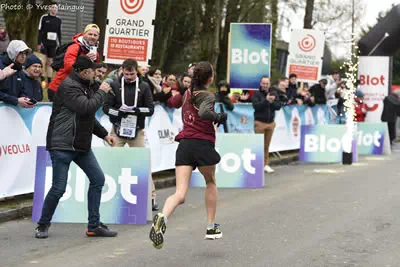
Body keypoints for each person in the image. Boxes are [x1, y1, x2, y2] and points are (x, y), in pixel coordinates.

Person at [34, 56, 117, 239]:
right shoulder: (69, 86)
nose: (97, 74)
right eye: (93, 71)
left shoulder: (86, 85)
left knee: (98, 179)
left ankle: (93, 226)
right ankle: (42, 224)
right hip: (62, 145)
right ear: (83, 72)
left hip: (80, 146)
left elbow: (87, 118)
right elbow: (86, 108)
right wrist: (102, 92)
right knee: (59, 188)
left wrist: (104, 134)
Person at [149, 61, 227, 249]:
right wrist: (218, 117)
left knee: (180, 193)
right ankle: (210, 226)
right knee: (210, 182)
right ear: (210, 79)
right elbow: (203, 112)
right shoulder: (207, 95)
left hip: (185, 145)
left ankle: (162, 217)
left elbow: (172, 103)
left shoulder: (187, 93)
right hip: (203, 144)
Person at [102, 59, 159, 211]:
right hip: (118, 130)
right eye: (126, 74)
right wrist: (119, 112)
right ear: (121, 71)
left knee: (143, 164)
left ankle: (151, 198)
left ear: (137, 71)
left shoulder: (144, 86)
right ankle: (110, 195)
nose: (129, 77)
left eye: (132, 74)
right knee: (113, 162)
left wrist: (136, 110)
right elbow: (106, 108)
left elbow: (151, 109)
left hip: (137, 131)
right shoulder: (114, 85)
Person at [48, 24, 100, 101]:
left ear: (98, 37)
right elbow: (68, 67)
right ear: (84, 34)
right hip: (59, 88)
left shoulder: (95, 53)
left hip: (77, 89)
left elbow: (93, 72)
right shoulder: (75, 47)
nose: (92, 37)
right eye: (90, 34)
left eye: (95, 35)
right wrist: (85, 59)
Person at [252, 76, 281, 174]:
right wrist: (266, 100)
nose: (265, 85)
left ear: (269, 84)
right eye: (263, 83)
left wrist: (272, 102)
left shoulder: (274, 93)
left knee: (266, 145)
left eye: (267, 83)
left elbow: (278, 106)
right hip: (259, 122)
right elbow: (256, 107)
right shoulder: (256, 94)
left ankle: (265, 164)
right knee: (258, 144)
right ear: (260, 84)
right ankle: (257, 164)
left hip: (270, 123)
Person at [0, 40, 34, 108]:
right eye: (21, 53)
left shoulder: (20, 70)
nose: (24, 56)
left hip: (14, 113)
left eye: (25, 53)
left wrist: (25, 99)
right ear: (13, 52)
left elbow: (23, 90)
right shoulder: (1, 66)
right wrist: (16, 100)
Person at [38, 1, 61, 86]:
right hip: (44, 43)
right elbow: (40, 31)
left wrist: (60, 44)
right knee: (43, 61)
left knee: (50, 62)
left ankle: (50, 80)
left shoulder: (58, 20)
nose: (54, 9)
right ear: (49, 8)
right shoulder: (44, 17)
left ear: (57, 9)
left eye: (55, 8)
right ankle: (42, 79)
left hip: (53, 44)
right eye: (52, 7)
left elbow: (59, 32)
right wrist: (39, 43)